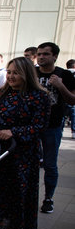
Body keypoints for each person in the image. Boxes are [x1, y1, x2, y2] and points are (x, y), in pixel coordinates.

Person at [0, 57, 50, 229]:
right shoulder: (0, 94)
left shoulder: (39, 96)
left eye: (16, 73)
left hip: (23, 154)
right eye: (9, 72)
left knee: (17, 192)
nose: (11, 76)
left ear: (26, 74)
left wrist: (14, 132)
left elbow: (40, 126)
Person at [35, 42, 75, 213]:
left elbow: (72, 100)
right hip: (31, 126)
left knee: (50, 165)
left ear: (54, 56)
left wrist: (60, 86)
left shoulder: (64, 74)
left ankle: (48, 198)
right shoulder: (32, 72)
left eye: (45, 54)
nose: (41, 56)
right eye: (39, 54)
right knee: (29, 163)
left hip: (52, 126)